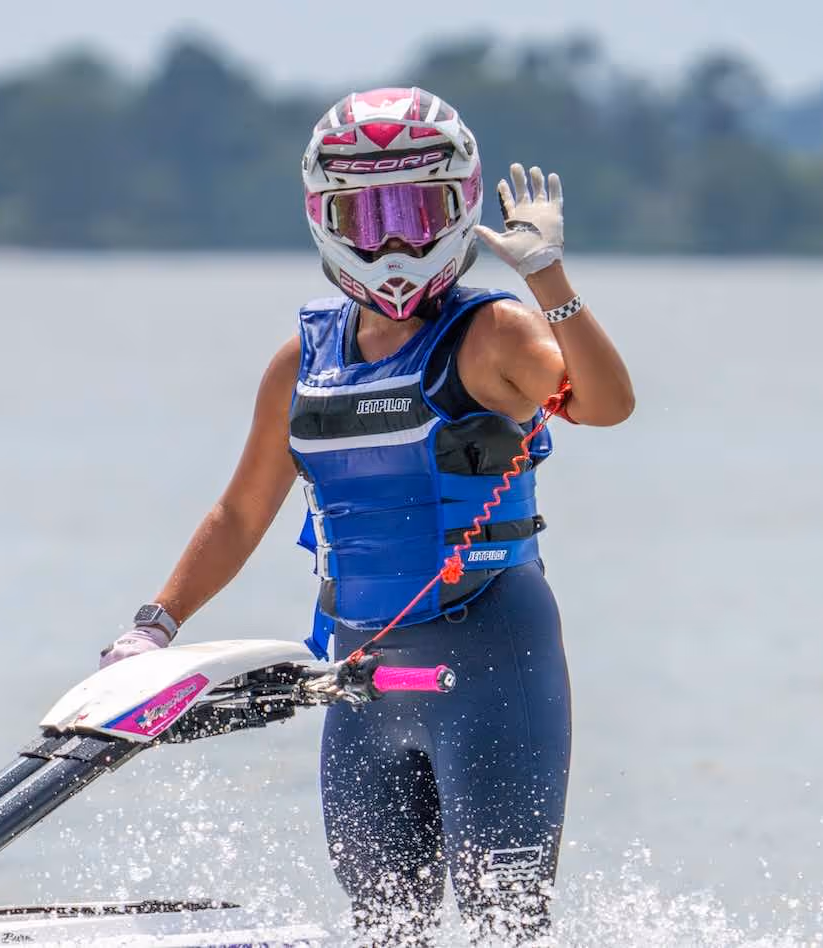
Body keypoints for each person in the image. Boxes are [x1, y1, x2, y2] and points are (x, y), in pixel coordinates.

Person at [99, 87, 634, 945]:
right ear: (326, 217)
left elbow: (607, 405)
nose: (394, 240)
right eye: (368, 213)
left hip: (491, 664)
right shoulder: (300, 364)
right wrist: (152, 626)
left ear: (458, 209)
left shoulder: (495, 335)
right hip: (363, 681)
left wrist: (549, 278)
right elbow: (240, 514)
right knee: (385, 930)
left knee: (508, 929)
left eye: (418, 212)